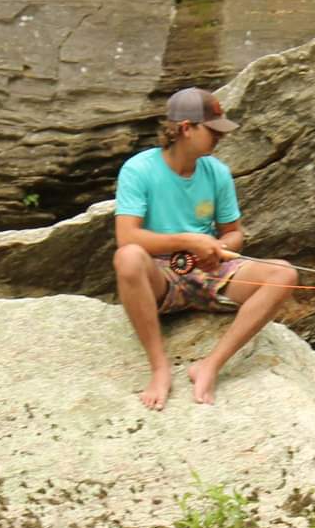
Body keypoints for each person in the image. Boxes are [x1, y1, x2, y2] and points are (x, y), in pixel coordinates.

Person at [111, 87, 297, 409]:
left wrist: (218, 248)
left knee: (284, 274)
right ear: (186, 129)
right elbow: (127, 236)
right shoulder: (138, 170)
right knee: (127, 258)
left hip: (209, 272)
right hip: (160, 276)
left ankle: (210, 366)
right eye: (213, 130)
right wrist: (186, 241)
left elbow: (234, 234)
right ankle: (159, 367)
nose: (219, 138)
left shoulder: (217, 173)